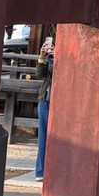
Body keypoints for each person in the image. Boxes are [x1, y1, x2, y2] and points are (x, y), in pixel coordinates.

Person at [34, 37, 54, 181]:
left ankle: (53, 169)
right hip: (45, 99)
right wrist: (42, 57)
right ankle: (40, 171)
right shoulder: (48, 59)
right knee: (42, 137)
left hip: (58, 101)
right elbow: (40, 74)